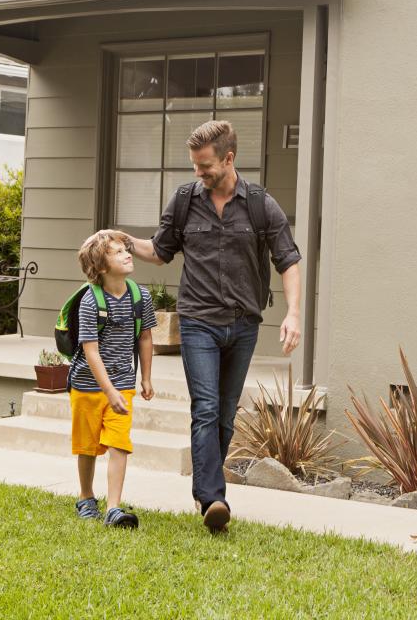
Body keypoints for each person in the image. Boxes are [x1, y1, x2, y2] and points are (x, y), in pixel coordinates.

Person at [120, 120, 302, 532]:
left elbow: (288, 259)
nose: (198, 174)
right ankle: (213, 498)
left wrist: (293, 314)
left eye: (205, 166)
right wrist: (125, 241)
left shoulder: (259, 205)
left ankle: (205, 489)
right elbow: (161, 251)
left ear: (229, 159)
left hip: (243, 325)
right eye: (195, 166)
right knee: (205, 408)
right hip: (198, 321)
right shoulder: (185, 201)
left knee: (224, 415)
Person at [68, 230, 156, 528]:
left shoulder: (140, 296)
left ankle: (113, 508)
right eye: (117, 252)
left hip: (124, 384)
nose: (127, 254)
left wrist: (145, 377)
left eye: (125, 250)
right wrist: (108, 391)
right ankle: (85, 496)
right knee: (87, 445)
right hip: (87, 385)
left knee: (120, 443)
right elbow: (90, 351)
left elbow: (145, 337)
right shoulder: (90, 301)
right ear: (102, 268)